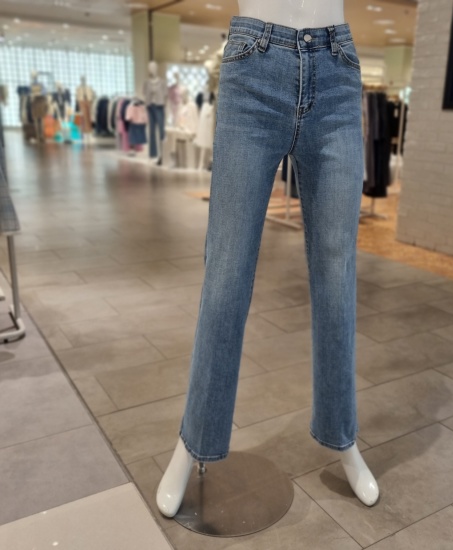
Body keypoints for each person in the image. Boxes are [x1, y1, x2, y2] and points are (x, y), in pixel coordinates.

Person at [157, 0, 380, 519]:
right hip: (254, 64)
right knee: (226, 274)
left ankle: (342, 434)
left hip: (337, 69)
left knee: (337, 274)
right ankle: (195, 440)